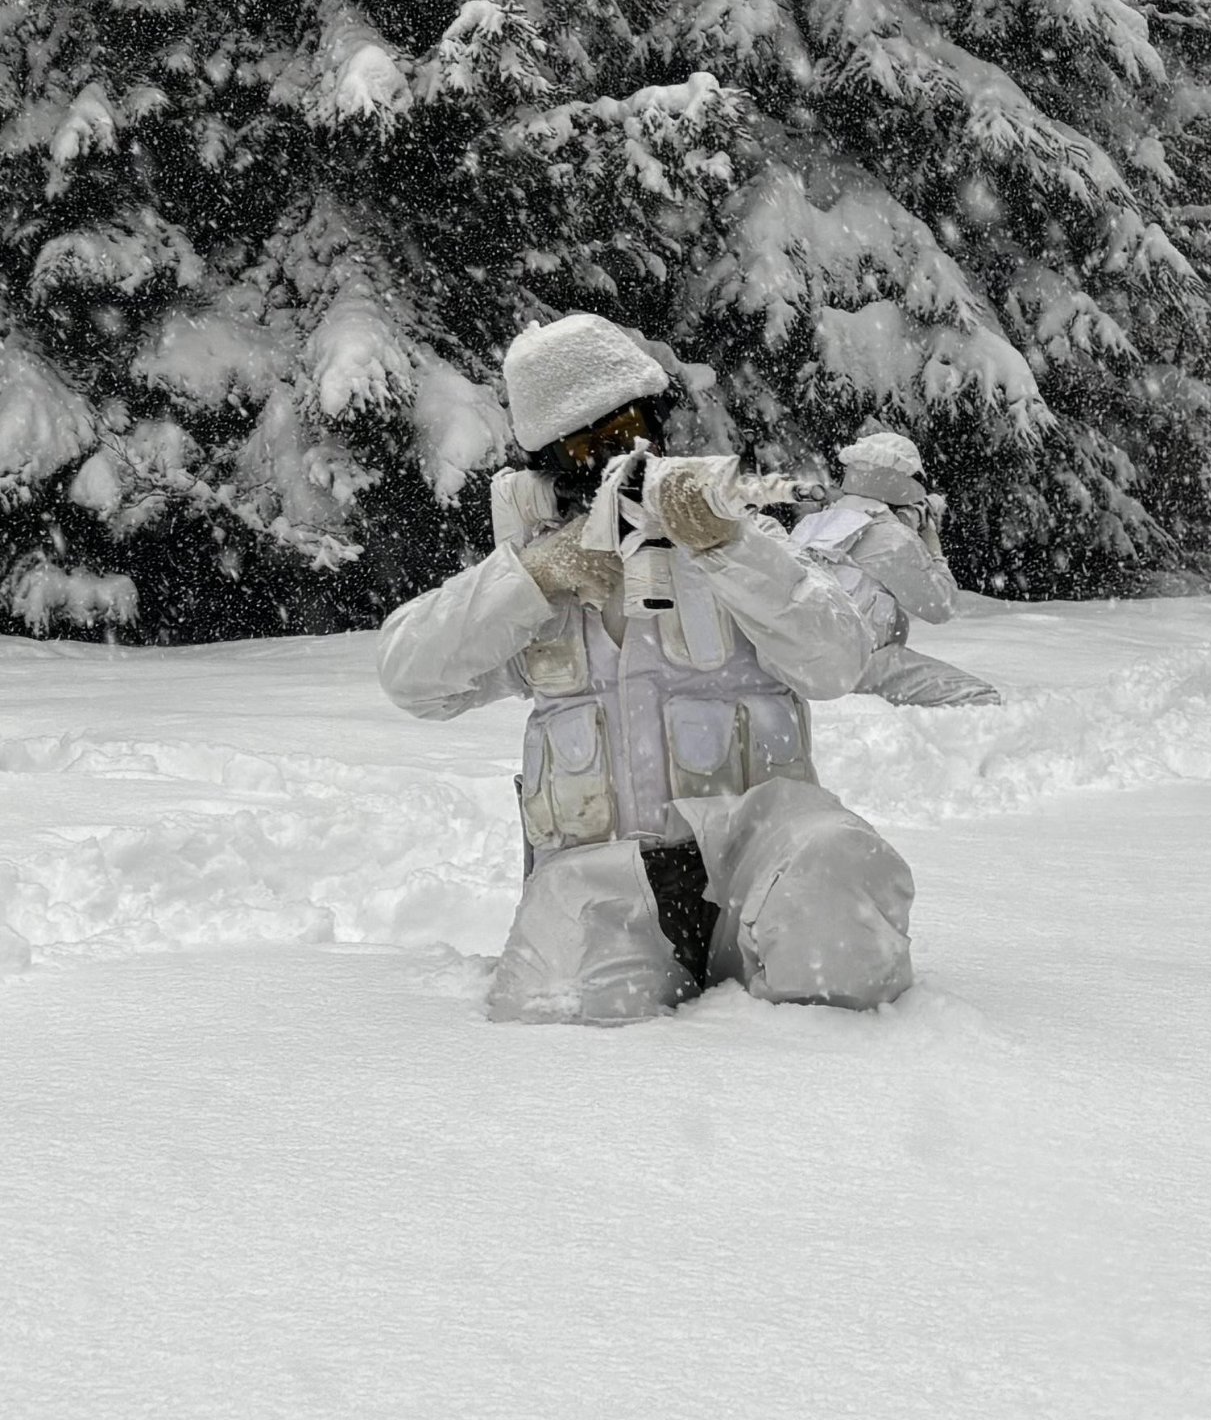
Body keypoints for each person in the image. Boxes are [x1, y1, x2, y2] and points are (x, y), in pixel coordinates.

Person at [376, 314, 915, 1023]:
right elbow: (411, 678)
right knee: (558, 1012)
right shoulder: (534, 585)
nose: (615, 458)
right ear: (551, 462)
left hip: (755, 860)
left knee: (833, 883)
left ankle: (805, 1101)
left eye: (628, 427)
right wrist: (533, 576)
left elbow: (837, 659)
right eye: (585, 444)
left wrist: (729, 546)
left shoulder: (746, 545)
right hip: (602, 886)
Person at [795, 426, 1000, 707]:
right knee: (981, 698)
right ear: (900, 482)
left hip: (799, 660)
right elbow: (941, 607)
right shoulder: (890, 537)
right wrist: (933, 549)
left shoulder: (814, 524)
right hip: (855, 665)